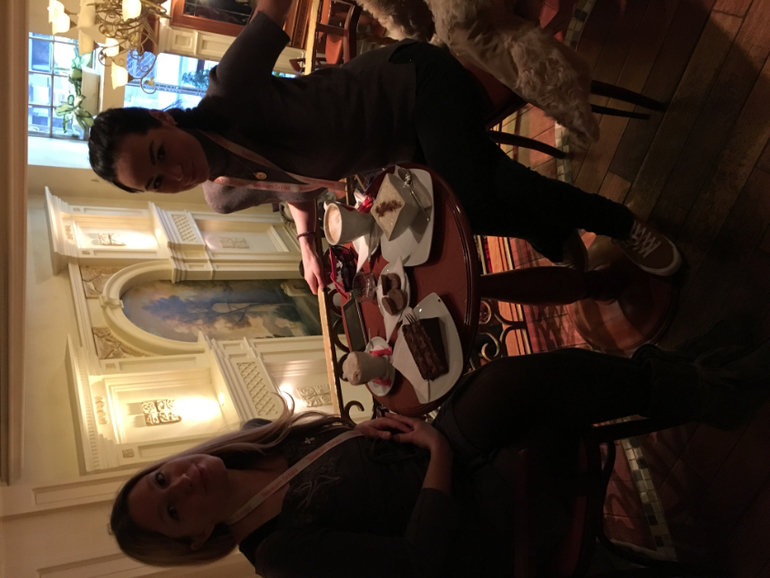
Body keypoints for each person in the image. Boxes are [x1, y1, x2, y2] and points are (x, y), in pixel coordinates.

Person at [88, 0, 682, 295]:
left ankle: (620, 225)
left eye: (159, 154)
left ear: (160, 118)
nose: (174, 173)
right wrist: (307, 247)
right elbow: (288, 187)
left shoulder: (230, 90)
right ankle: (547, 227)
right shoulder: (221, 195)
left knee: (481, 189)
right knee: (459, 216)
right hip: (403, 153)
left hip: (410, 85)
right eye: (157, 183)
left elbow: (272, 10)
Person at [109, 332, 769, 577]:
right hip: (469, 522)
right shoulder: (280, 554)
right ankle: (689, 383)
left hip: (444, 452)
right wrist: (437, 457)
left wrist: (399, 428)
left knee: (507, 381)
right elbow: (417, 562)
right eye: (172, 511)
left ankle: (689, 386)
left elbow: (356, 445)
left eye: (161, 478)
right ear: (193, 540)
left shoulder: (262, 436)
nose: (180, 485)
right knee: (522, 393)